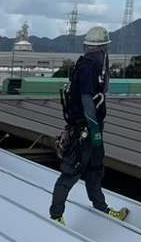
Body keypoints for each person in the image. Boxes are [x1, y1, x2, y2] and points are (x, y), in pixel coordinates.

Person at [50, 26, 129, 225]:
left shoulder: (92, 65)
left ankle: (102, 208)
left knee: (95, 170)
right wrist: (94, 131)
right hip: (84, 131)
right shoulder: (88, 68)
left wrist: (96, 132)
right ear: (102, 47)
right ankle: (56, 216)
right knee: (70, 173)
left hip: (93, 130)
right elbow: (87, 101)